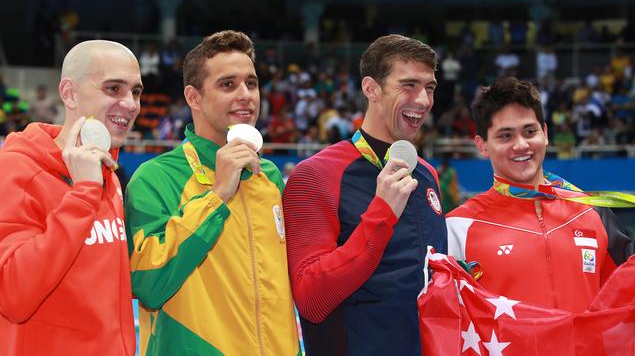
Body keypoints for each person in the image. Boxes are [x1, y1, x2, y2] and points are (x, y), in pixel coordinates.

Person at [125, 30, 300, 356]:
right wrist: (217, 195)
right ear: (194, 97)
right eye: (227, 84)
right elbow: (148, 284)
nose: (246, 94)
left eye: (252, 82)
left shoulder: (270, 176)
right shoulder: (156, 178)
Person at [283, 34, 447, 356]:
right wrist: (382, 213)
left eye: (429, 88)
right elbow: (312, 300)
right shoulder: (315, 175)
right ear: (371, 88)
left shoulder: (426, 174)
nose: (424, 100)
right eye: (409, 85)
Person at [0, 40, 142, 355]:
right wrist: (83, 195)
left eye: (136, 91)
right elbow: (13, 295)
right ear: (69, 93)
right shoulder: (16, 169)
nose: (131, 104)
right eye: (113, 89)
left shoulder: (110, 176)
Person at [446, 77, 634, 313]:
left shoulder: (592, 212)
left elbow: (626, 301)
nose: (521, 145)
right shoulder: (458, 227)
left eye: (530, 131)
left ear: (545, 133)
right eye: (506, 136)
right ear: (482, 145)